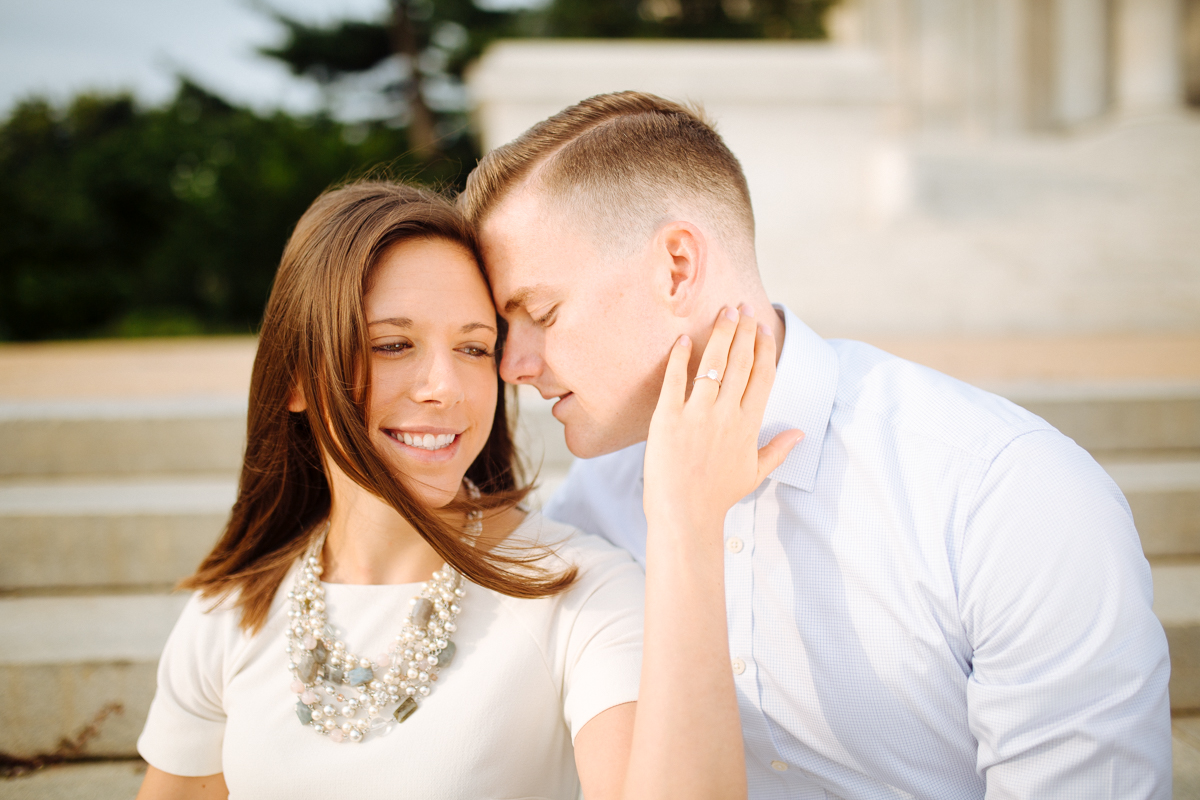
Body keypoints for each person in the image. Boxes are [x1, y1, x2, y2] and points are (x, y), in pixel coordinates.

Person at [460, 91, 1174, 799]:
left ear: (677, 266)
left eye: (541, 313)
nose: (512, 365)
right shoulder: (593, 512)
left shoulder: (1003, 491)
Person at [134, 180, 798, 799]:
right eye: (393, 345)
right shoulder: (229, 612)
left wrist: (687, 526)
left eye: (475, 349)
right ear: (297, 380)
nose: (444, 388)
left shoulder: (579, 595)